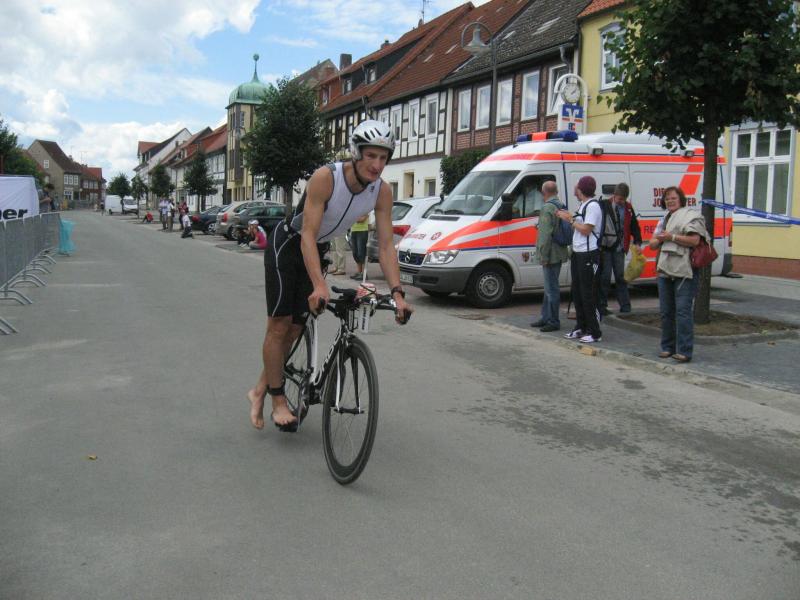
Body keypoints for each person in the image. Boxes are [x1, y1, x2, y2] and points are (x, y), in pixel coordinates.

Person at [248, 119, 413, 431]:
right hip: (289, 245)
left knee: (295, 331)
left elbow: (386, 246)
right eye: (371, 155)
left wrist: (398, 293)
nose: (377, 165)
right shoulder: (327, 177)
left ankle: (259, 389)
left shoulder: (381, 192)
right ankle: (277, 400)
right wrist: (319, 284)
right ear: (356, 152)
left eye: (383, 158)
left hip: (317, 250)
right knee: (280, 325)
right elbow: (308, 235)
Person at [649, 186, 709, 363]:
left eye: (673, 198)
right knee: (666, 312)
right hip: (665, 269)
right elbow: (652, 244)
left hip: (684, 270)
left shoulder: (691, 216)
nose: (670, 201)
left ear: (681, 199)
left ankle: (684, 350)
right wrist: (659, 239)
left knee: (683, 312)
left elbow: (695, 240)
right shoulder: (664, 220)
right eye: (667, 199)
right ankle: (667, 347)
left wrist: (672, 237)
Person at [557, 176, 603, 343]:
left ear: (581, 189)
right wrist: (569, 217)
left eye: (576, 187)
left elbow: (586, 229)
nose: (574, 189)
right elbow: (579, 224)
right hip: (578, 253)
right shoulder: (583, 205)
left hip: (589, 254)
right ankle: (581, 327)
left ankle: (594, 332)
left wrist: (569, 219)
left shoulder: (593, 206)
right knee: (577, 292)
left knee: (588, 293)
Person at [599, 182, 642, 315]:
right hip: (606, 247)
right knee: (605, 277)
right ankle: (601, 306)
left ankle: (625, 305)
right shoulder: (604, 205)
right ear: (614, 195)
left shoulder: (628, 208)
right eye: (619, 199)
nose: (621, 202)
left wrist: (638, 241)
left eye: (623, 199)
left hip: (619, 248)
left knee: (620, 277)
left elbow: (634, 225)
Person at [532, 181, 569, 332]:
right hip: (559, 251)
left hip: (551, 253)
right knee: (550, 287)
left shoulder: (547, 208)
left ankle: (553, 320)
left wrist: (543, 255)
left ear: (544, 192)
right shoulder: (561, 205)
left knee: (551, 289)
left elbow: (545, 235)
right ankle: (546, 317)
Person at [349, 213, 370, 279]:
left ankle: (364, 274)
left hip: (362, 231)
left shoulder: (365, 209)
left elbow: (362, 219)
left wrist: (352, 218)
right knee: (355, 253)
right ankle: (359, 272)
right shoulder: (354, 210)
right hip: (353, 230)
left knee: (361, 253)